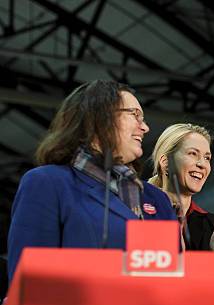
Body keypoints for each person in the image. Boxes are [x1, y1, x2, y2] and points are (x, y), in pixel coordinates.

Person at [7, 80, 176, 281]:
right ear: (99, 117)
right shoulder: (48, 183)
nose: (145, 127)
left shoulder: (157, 199)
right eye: (135, 115)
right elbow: (29, 283)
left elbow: (174, 279)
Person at [149, 123, 214, 250]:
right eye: (192, 153)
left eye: (207, 158)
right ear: (166, 162)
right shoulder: (139, 214)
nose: (202, 164)